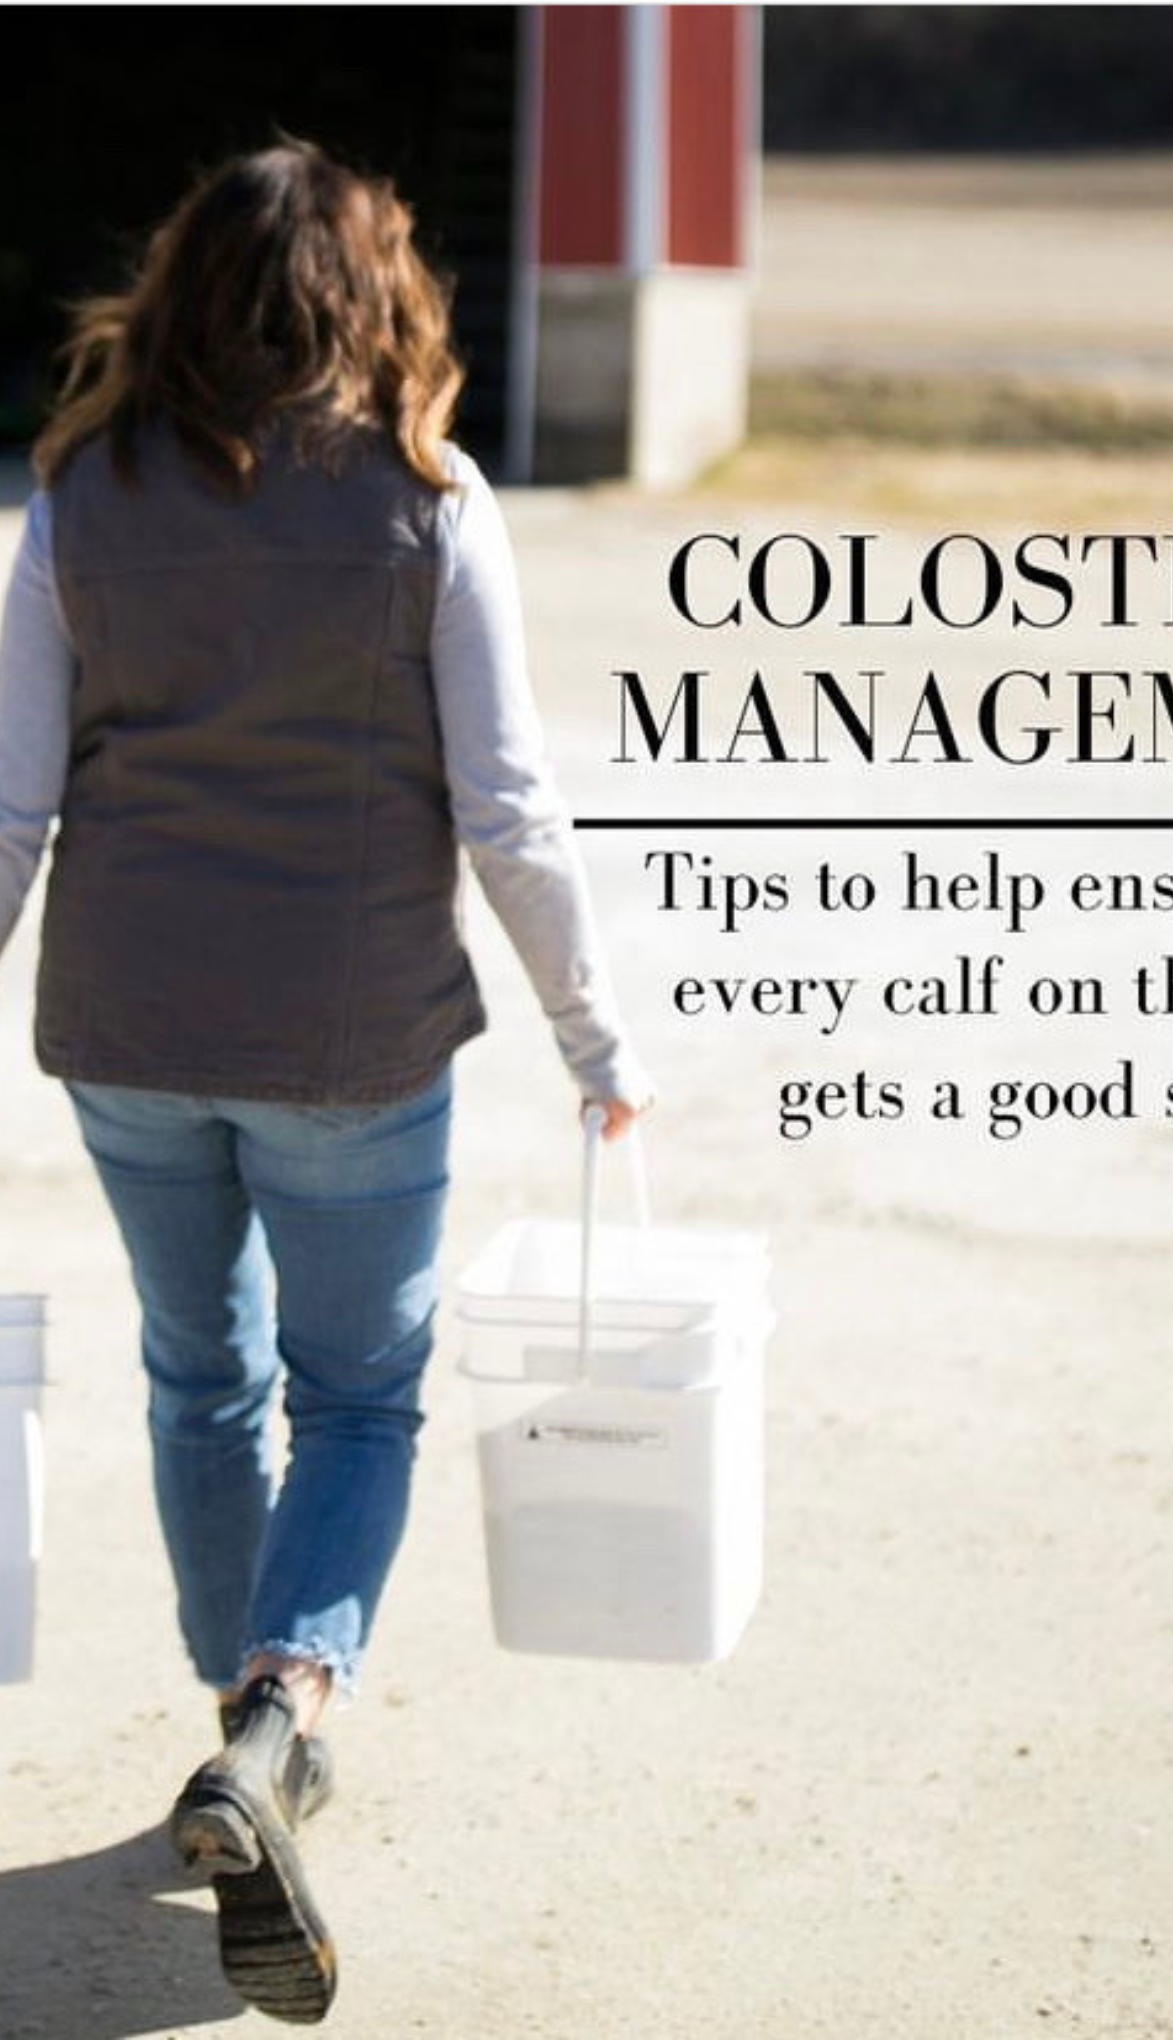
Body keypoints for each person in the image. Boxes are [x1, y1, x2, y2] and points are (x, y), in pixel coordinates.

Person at [0, 139, 652, 2023]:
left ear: (183, 289)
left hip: (125, 1032)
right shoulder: (430, 507)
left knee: (200, 1375)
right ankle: (280, 1722)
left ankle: (241, 1733)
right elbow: (512, 806)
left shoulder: (74, 501)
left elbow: (11, 806)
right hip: (351, 1041)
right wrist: (596, 1039)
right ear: (377, 303)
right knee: (358, 1398)